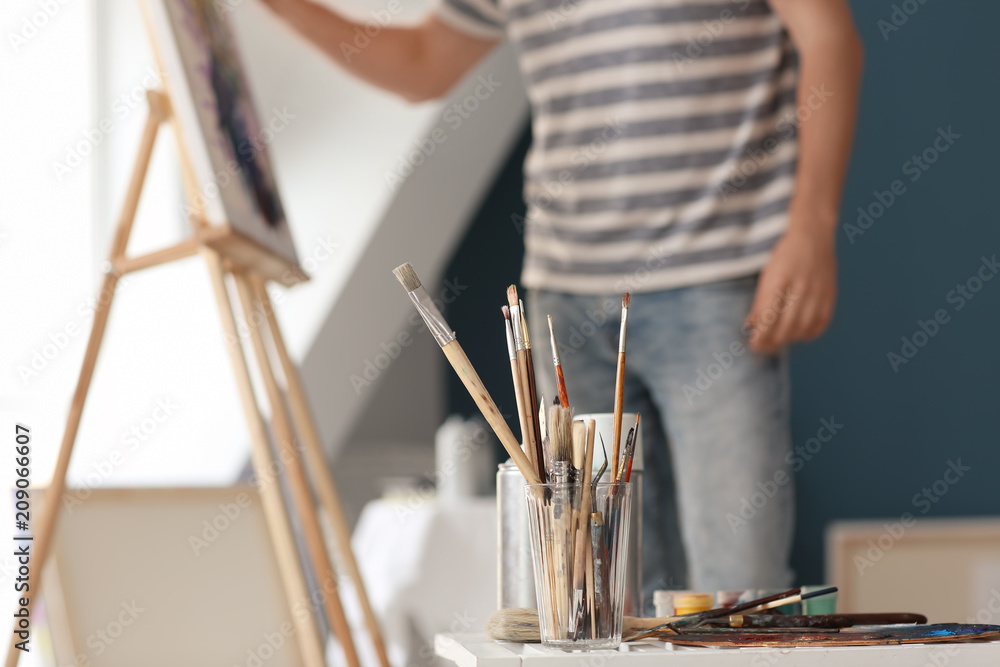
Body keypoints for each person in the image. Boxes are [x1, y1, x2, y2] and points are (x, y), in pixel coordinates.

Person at [259, 0, 863, 602]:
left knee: (744, 589)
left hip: (718, 280)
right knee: (597, 597)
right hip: (563, 300)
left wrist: (812, 226)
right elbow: (422, 64)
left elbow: (828, 36)